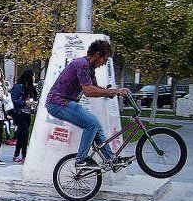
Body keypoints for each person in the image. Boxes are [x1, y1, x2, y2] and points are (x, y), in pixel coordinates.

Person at [45, 39, 131, 170]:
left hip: (65, 103)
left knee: (96, 127)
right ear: (97, 55)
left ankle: (111, 160)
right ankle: (81, 160)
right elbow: (89, 91)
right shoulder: (81, 64)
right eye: (104, 59)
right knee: (92, 123)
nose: (104, 63)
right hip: (58, 103)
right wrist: (114, 91)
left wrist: (112, 92)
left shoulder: (89, 68)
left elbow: (94, 88)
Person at [11, 69, 38, 163]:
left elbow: (34, 98)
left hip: (27, 113)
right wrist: (24, 102)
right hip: (19, 113)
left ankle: (16, 154)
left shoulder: (31, 88)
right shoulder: (19, 87)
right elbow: (13, 101)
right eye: (33, 76)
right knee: (25, 133)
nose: (34, 78)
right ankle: (24, 155)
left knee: (21, 134)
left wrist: (33, 103)